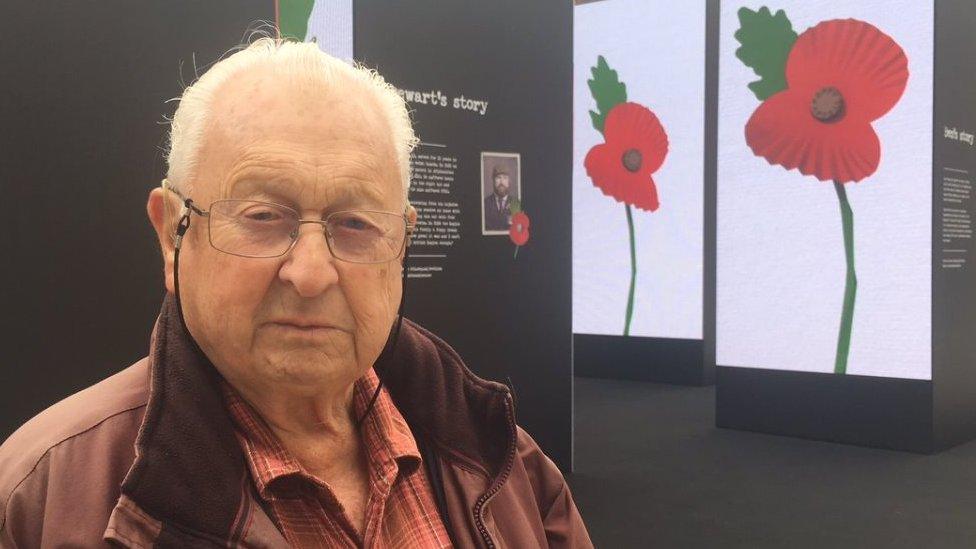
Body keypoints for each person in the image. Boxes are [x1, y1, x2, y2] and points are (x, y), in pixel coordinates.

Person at [0, 37, 592, 548]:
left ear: (402, 242)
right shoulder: (41, 499)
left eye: (356, 224)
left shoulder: (501, 457)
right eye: (263, 216)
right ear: (171, 236)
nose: (311, 274)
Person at [483, 165, 513, 231]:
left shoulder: (516, 204)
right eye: (498, 178)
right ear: (493, 180)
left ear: (509, 181)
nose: (501, 182)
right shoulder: (484, 204)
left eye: (505, 178)